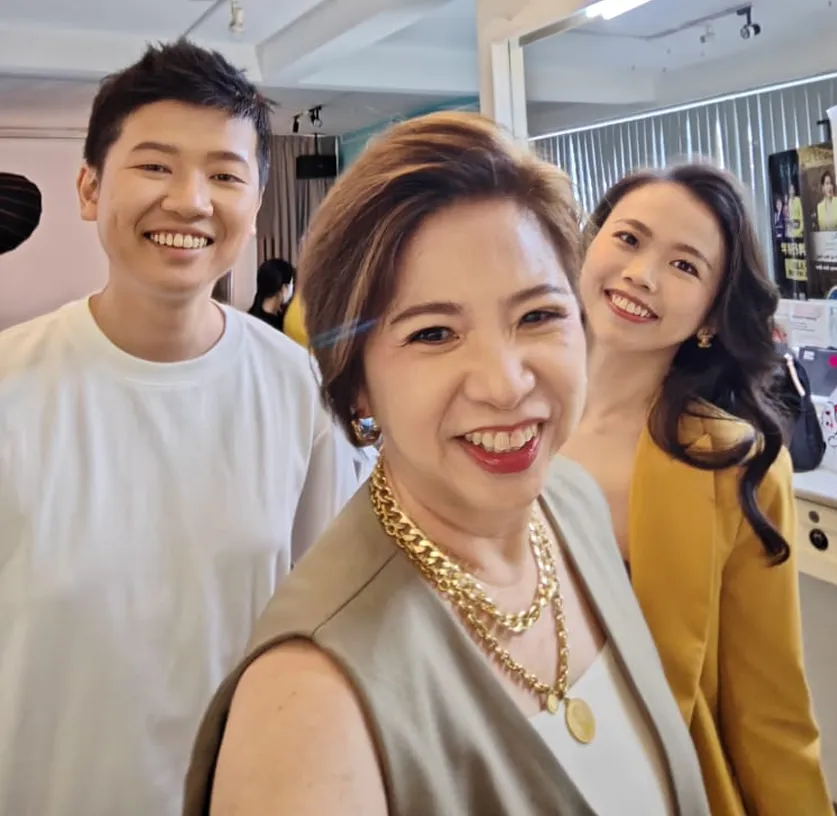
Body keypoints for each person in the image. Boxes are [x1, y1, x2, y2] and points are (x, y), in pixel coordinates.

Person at [183, 112, 710, 816]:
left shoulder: (570, 502)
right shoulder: (310, 706)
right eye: (434, 333)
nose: (504, 384)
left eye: (537, 316)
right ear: (358, 382)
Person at [0, 40, 362, 816]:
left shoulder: (298, 390)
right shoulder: (10, 385)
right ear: (90, 188)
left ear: (255, 206)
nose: (191, 201)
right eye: (155, 166)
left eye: (225, 175)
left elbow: (324, 624)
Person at [560, 164, 832, 815]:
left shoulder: (733, 464)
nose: (642, 274)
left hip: (649, 787)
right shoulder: (501, 417)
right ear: (589, 245)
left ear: (711, 313)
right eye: (628, 239)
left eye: (684, 266)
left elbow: (769, 708)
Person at [247, 257, 295, 331]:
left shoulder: (249, 318)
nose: (292, 288)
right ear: (284, 287)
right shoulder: (281, 324)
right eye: (292, 283)